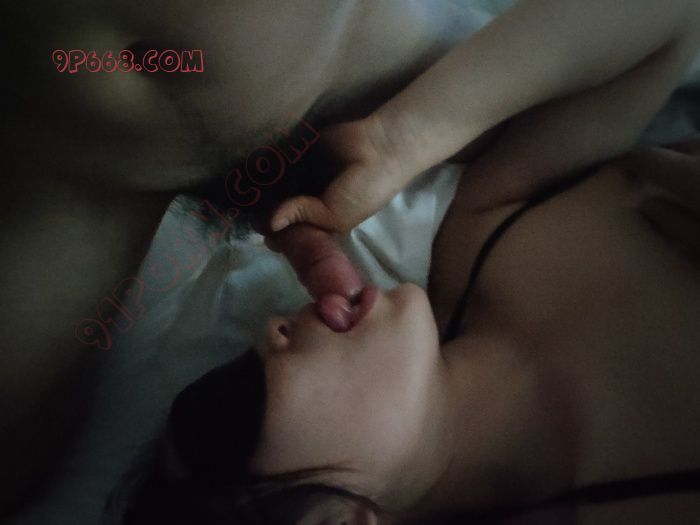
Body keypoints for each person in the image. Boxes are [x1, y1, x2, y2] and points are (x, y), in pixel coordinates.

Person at [3, 0, 699, 519]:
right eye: (232, 410)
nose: (268, 333)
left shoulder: (485, 250)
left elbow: (669, 15)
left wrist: (403, 137)